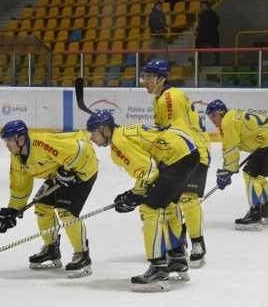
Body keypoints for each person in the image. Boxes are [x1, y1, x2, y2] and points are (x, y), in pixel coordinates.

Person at [86, 110, 200, 292]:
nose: (92, 138)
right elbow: (150, 170)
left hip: (176, 159)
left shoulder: (118, 143)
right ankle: (177, 259)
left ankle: (158, 269)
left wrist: (133, 196)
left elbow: (149, 172)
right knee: (168, 207)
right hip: (189, 153)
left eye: (94, 133)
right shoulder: (123, 133)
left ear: (105, 129)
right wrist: (134, 194)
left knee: (149, 209)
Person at [0, 120, 98, 278]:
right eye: (6, 141)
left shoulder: (41, 144)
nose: (7, 145)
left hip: (82, 169)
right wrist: (13, 210)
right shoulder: (17, 156)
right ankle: (51, 249)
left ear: (21, 139)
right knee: (42, 207)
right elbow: (20, 186)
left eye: (10, 140)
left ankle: (82, 254)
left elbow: (81, 149)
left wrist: (69, 170)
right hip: (59, 173)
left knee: (66, 212)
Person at [140, 60, 211, 268]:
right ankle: (177, 245)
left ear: (161, 79)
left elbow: (177, 132)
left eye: (148, 77)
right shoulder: (159, 97)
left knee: (187, 200)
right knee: (170, 203)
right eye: (144, 76)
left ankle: (198, 243)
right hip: (177, 153)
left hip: (193, 151)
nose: (144, 81)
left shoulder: (171, 98)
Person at [205, 99, 268, 231]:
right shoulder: (228, 120)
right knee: (257, 175)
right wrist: (227, 170)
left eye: (214, 115)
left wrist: (227, 171)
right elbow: (229, 148)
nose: (212, 119)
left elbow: (231, 150)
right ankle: (264, 209)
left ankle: (255, 215)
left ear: (221, 112)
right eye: (210, 116)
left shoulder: (228, 122)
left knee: (251, 173)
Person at [195, 1, 221, 65]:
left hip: (212, 34)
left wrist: (210, 26)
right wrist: (197, 30)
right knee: (197, 43)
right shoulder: (201, 14)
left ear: (207, 6)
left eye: (203, 6)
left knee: (215, 47)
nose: (202, 7)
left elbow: (217, 23)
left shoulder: (213, 13)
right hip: (203, 34)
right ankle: (199, 61)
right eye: (202, 6)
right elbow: (200, 24)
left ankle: (217, 62)